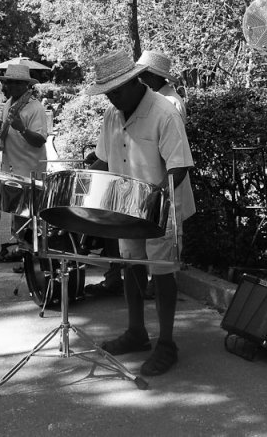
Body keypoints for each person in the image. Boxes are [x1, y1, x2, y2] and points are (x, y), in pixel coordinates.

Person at [85, 50, 195, 376]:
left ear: (135, 81)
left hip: (163, 205)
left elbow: (179, 168)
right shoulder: (112, 114)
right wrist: (81, 182)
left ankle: (167, 344)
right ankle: (136, 332)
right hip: (126, 204)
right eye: (109, 92)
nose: (113, 98)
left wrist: (153, 201)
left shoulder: (165, 113)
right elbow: (104, 160)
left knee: (162, 274)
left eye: (118, 90)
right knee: (130, 268)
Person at [0, 64, 49, 264]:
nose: (11, 86)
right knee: (17, 211)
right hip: (12, 166)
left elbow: (40, 140)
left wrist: (22, 129)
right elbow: (4, 126)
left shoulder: (35, 107)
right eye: (9, 82)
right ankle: (23, 251)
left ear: (25, 85)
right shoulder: (9, 104)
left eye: (16, 83)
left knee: (30, 214)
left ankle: (31, 257)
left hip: (30, 167)